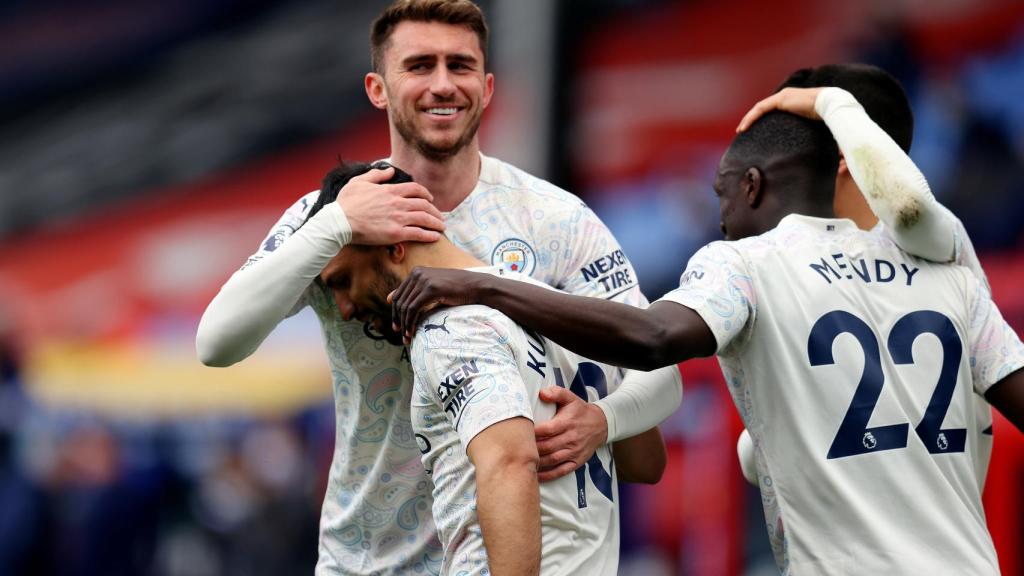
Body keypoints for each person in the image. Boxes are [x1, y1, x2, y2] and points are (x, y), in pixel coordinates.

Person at [390, 91, 1024, 573]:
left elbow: (652, 339)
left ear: (751, 185)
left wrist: (485, 286)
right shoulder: (949, 279)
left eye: (722, 196)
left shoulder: (746, 264)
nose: (720, 221)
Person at [195, 1, 681, 573]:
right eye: (420, 65)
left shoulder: (554, 219)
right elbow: (217, 342)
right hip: (368, 559)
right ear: (378, 89)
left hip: (502, 555)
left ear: (488, 86)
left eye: (461, 65)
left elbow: (654, 361)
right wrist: (337, 224)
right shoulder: (329, 217)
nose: (443, 84)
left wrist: (604, 421)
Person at [311, 160, 666, 575]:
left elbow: (509, 463)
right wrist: (605, 421)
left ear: (394, 246)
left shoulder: (451, 330)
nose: (343, 308)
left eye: (342, 281)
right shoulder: (557, 310)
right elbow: (646, 462)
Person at [735, 63, 995, 490]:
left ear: (840, 157)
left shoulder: (936, 238)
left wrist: (829, 101)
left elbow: (910, 208)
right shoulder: (810, 264)